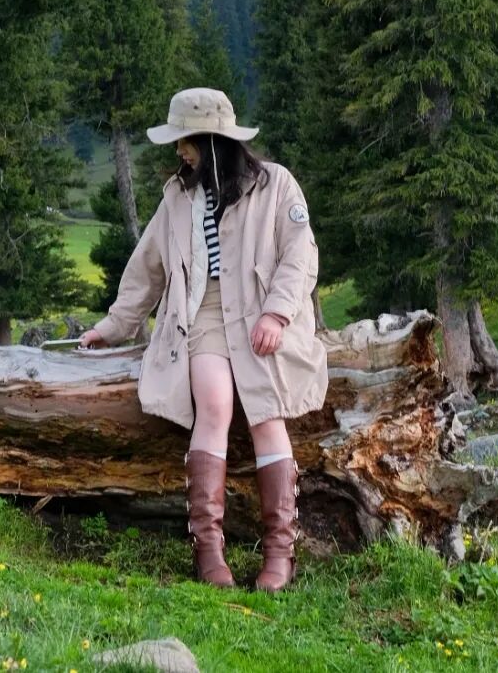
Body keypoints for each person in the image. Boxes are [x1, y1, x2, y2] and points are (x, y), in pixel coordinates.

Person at [80, 86, 328, 592]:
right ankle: (209, 553)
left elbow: (300, 254)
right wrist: (113, 327)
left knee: (266, 414)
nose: (178, 151)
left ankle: (280, 554)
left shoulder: (276, 185)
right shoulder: (178, 196)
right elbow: (146, 268)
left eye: (185, 141)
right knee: (214, 407)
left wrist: (278, 315)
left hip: (261, 314)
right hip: (203, 315)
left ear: (210, 141)